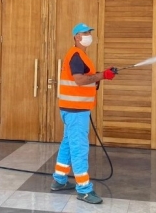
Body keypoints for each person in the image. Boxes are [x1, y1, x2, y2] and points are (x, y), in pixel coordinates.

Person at [50, 23, 117, 204]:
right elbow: (79, 80)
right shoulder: (76, 55)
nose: (88, 35)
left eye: (89, 32)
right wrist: (102, 76)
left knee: (68, 144)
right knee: (79, 148)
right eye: (85, 33)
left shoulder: (80, 55)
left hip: (71, 109)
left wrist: (102, 75)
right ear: (77, 37)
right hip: (76, 111)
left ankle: (59, 180)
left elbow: (84, 78)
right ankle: (84, 190)